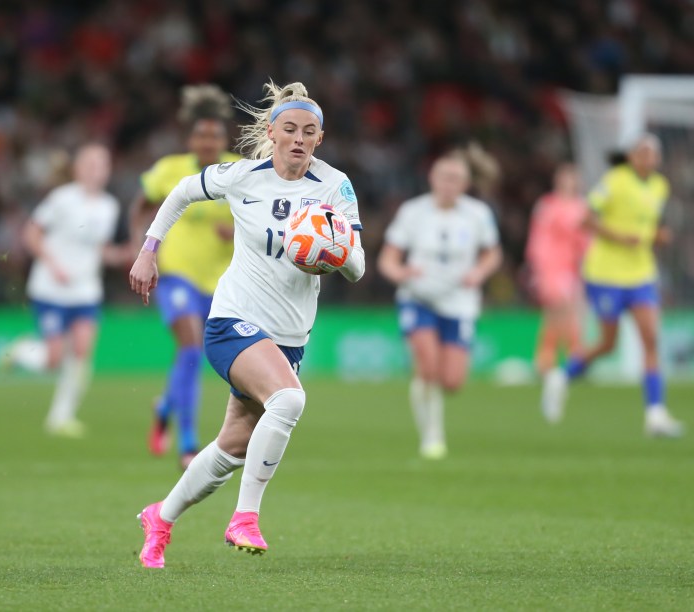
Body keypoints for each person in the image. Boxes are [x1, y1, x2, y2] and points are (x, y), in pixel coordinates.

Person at [129, 81, 365, 568]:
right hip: (233, 320)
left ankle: (161, 516)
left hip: (289, 337)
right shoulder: (243, 176)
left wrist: (334, 251)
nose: (299, 138)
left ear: (320, 139)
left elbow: (359, 266)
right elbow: (180, 192)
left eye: (310, 132)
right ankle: (245, 518)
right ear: (273, 132)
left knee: (232, 446)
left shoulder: (335, 187)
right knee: (290, 398)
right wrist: (149, 251)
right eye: (290, 129)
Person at [128, 85, 241, 469]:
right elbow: (140, 207)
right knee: (191, 346)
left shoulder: (238, 173)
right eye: (201, 134)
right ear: (190, 138)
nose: (207, 141)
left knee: (199, 355)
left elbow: (256, 223)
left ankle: (165, 405)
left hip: (222, 281)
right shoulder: (170, 170)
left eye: (214, 134)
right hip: (176, 276)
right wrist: (140, 248)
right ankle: (189, 444)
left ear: (224, 139)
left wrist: (237, 233)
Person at [542, 135, 684, 436]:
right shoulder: (614, 181)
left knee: (651, 338)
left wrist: (657, 235)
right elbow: (585, 219)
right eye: (641, 152)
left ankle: (655, 415)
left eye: (652, 153)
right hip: (605, 274)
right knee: (608, 344)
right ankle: (562, 377)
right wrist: (621, 238)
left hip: (641, 274)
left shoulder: (660, 186)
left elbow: (647, 225)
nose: (647, 157)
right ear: (631, 156)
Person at [377, 148, 502, 459]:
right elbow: (388, 258)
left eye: (456, 178)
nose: (449, 184)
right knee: (427, 364)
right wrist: (400, 272)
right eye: (444, 177)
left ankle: (433, 418)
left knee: (452, 381)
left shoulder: (478, 214)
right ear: (433, 178)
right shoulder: (413, 212)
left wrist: (479, 272)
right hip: (418, 296)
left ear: (466, 182)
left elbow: (492, 253)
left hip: (459, 301)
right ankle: (431, 436)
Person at [0, 144, 126, 437]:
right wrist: (53, 264)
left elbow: (98, 249)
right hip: (51, 288)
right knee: (53, 359)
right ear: (78, 169)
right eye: (91, 164)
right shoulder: (62, 199)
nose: (97, 170)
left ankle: (61, 417)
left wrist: (121, 255)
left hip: (86, 291)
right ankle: (20, 351)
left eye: (102, 164)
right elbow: (31, 233)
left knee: (82, 351)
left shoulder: (110, 206)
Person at [525, 164, 589, 421]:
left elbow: (586, 240)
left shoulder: (582, 206)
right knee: (558, 312)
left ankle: (560, 364)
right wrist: (537, 266)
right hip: (551, 265)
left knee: (568, 315)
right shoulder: (547, 205)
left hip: (572, 267)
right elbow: (538, 238)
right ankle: (554, 363)